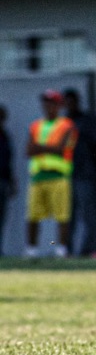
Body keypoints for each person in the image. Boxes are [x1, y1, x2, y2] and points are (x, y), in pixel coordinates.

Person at [25, 90, 77, 259]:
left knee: (62, 215)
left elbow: (62, 149)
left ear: (58, 105)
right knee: (33, 214)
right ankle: (31, 250)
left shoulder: (67, 125)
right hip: (38, 175)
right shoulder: (36, 125)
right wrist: (49, 148)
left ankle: (61, 249)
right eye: (46, 102)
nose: (48, 106)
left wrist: (40, 148)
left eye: (52, 103)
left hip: (58, 175)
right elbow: (28, 150)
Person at [64, 89, 96, 257]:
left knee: (89, 214)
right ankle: (65, 249)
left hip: (86, 173)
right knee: (67, 216)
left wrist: (93, 162)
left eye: (72, 101)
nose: (69, 105)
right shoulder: (62, 123)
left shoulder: (88, 121)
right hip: (66, 174)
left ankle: (91, 249)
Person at [0, 104, 15, 256]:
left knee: (2, 217)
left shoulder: (5, 136)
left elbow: (8, 161)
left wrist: (12, 180)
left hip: (3, 180)